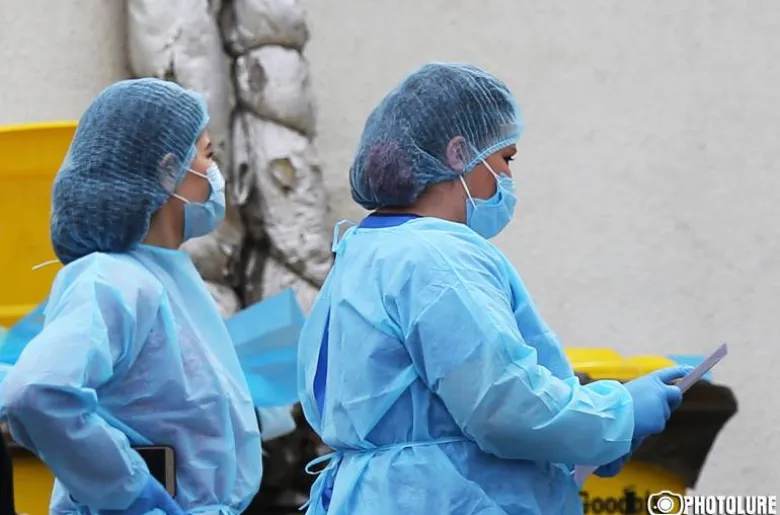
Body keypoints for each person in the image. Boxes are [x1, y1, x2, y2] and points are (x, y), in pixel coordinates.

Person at [296, 62, 692, 515]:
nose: (508, 178)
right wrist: (617, 414)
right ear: (459, 152)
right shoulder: (437, 256)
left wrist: (588, 439)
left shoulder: (364, 249)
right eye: (507, 158)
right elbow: (505, 406)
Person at [0, 78, 262, 514]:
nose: (216, 173)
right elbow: (37, 392)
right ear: (167, 171)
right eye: (208, 154)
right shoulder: (111, 280)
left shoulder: (159, 277)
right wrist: (132, 491)